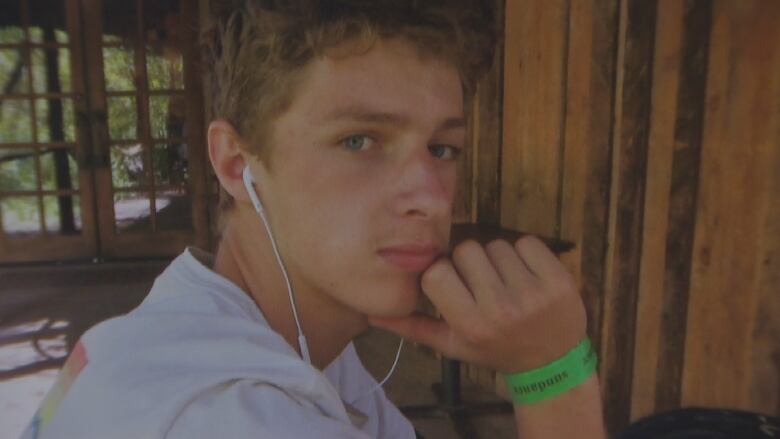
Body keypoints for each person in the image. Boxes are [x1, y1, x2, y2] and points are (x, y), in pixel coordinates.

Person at [23, 1, 606, 437]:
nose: (430, 197)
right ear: (235, 164)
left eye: (442, 148)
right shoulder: (233, 420)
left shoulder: (252, 329)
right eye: (359, 140)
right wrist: (554, 375)